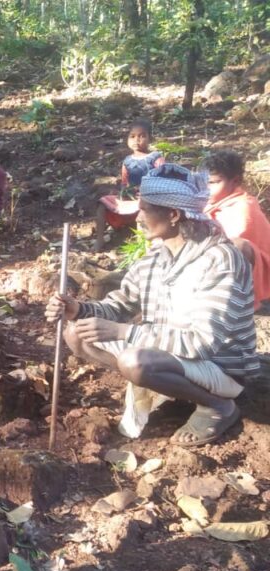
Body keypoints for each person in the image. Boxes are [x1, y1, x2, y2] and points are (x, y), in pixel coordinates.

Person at [47, 164, 258, 446]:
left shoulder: (219, 259)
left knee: (136, 362)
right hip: (173, 355)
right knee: (76, 333)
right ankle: (168, 386)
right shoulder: (156, 256)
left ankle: (217, 406)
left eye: (146, 209)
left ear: (173, 215)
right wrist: (79, 310)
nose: (139, 217)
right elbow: (120, 304)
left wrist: (123, 333)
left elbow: (202, 343)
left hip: (219, 366)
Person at [202, 150, 270, 308]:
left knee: (234, 247)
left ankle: (238, 301)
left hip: (259, 272)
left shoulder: (243, 207)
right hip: (216, 266)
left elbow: (234, 248)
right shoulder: (210, 204)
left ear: (235, 181)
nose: (207, 188)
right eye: (205, 182)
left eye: (213, 182)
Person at [93, 119, 165, 251]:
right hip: (131, 198)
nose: (136, 140)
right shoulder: (127, 161)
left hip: (150, 198)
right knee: (102, 204)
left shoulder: (155, 158)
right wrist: (124, 192)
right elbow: (125, 183)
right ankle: (99, 240)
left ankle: (142, 246)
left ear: (150, 138)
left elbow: (162, 179)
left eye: (142, 136)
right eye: (132, 136)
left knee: (143, 211)